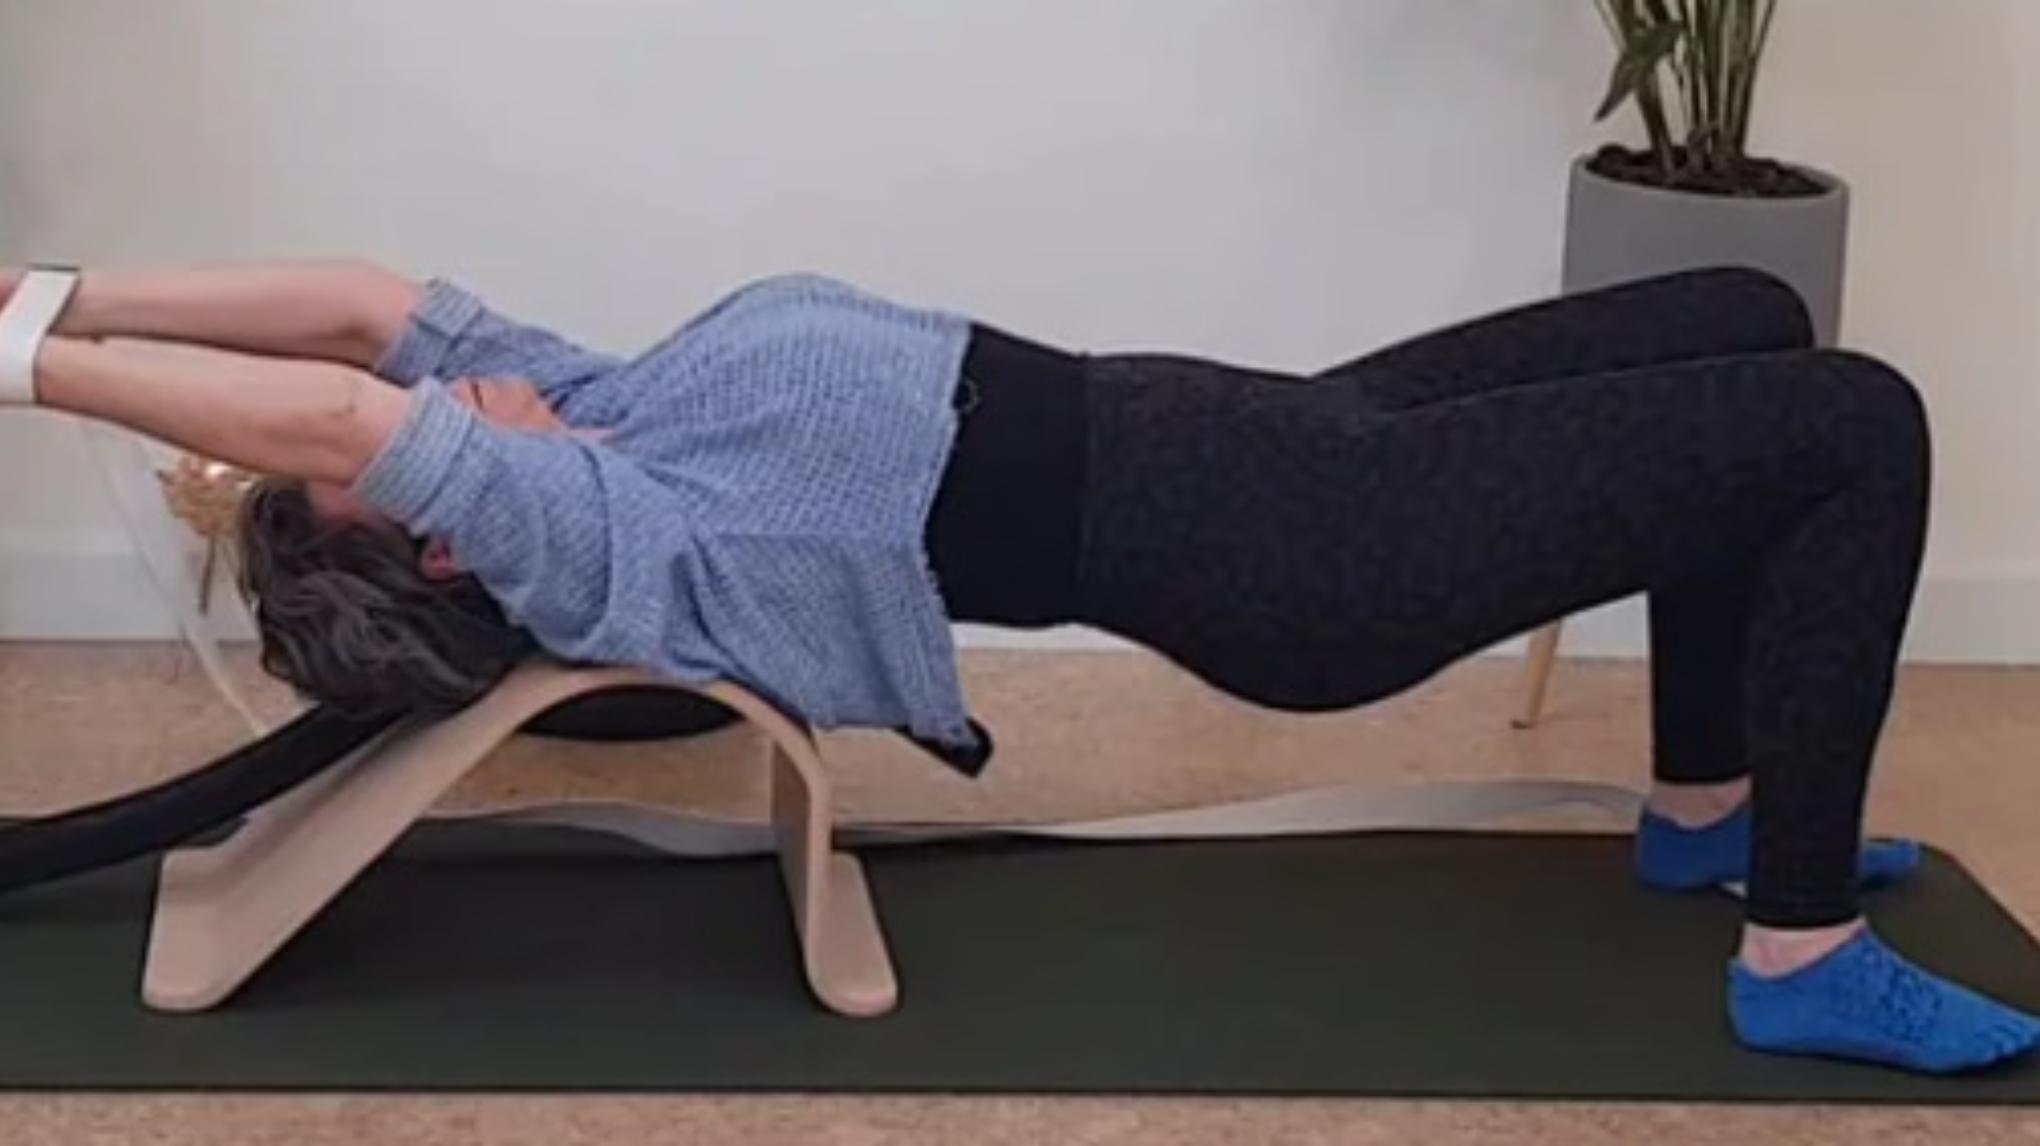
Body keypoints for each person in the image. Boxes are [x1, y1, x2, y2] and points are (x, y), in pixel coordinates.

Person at [1, 259, 2032, 1074]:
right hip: (1311, 554)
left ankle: (1707, 813)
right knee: (1851, 421)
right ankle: (1796, 950)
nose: (432, 397)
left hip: (1291, 434)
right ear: (441, 530)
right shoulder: (592, 529)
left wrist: (67, 290)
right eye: (406, 447)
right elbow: (345, 415)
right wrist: (27, 366)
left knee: (1744, 311)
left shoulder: (588, 405)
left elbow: (359, 313)